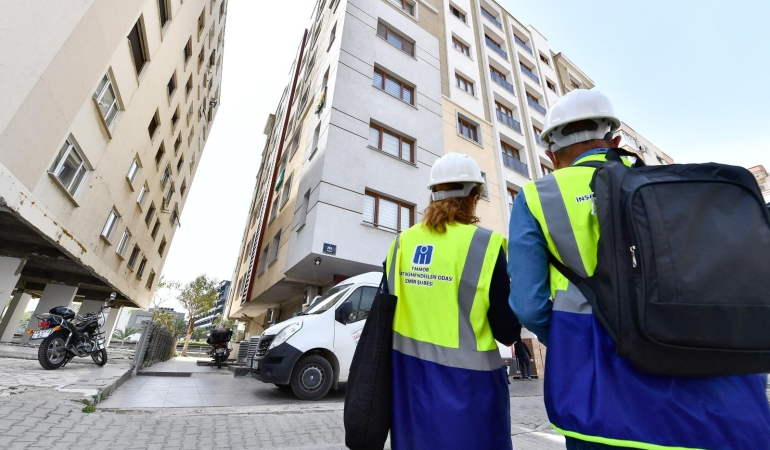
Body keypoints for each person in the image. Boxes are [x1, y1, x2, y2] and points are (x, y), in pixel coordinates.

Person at [507, 89, 770, 449]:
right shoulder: (665, 184)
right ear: (615, 140)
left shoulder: (536, 196)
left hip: (599, 395)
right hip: (706, 394)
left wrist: (573, 340)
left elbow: (527, 304)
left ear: (551, 154)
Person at [385, 152, 521, 450]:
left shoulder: (400, 244)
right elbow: (507, 331)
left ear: (433, 195)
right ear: (474, 196)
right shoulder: (485, 244)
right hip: (470, 394)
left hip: (409, 391)